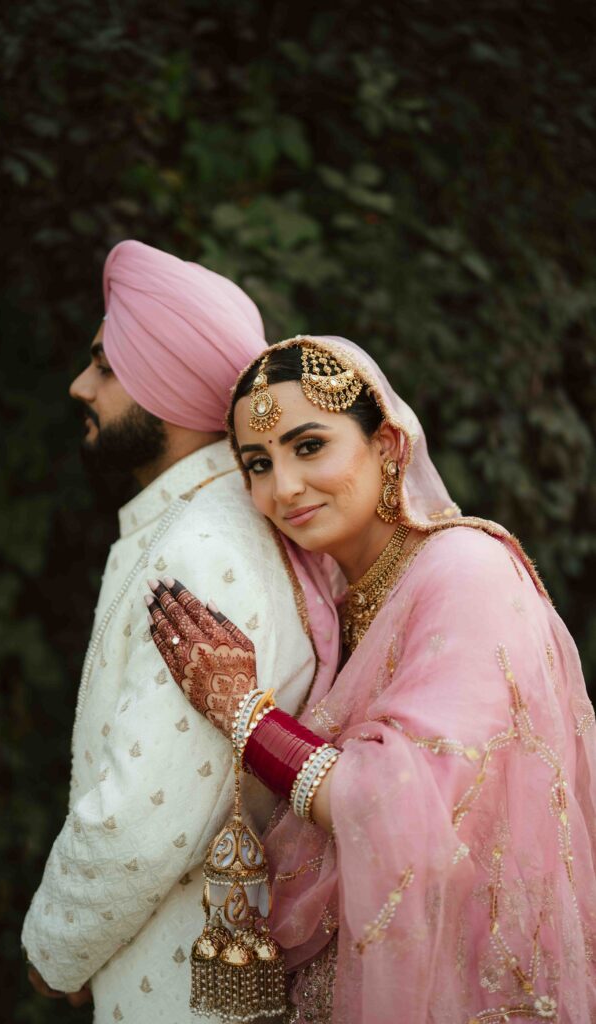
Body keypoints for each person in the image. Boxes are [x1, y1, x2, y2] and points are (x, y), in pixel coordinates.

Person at [147, 335, 596, 1023]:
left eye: (308, 446)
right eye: (258, 464)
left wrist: (245, 717)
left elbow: (401, 807)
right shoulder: (333, 605)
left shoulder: (465, 572)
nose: (283, 487)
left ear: (386, 445)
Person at [21, 247, 332, 1023]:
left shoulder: (201, 548)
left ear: (167, 386)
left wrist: (54, 949)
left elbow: (143, 816)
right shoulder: (198, 524)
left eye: (105, 366)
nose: (80, 386)